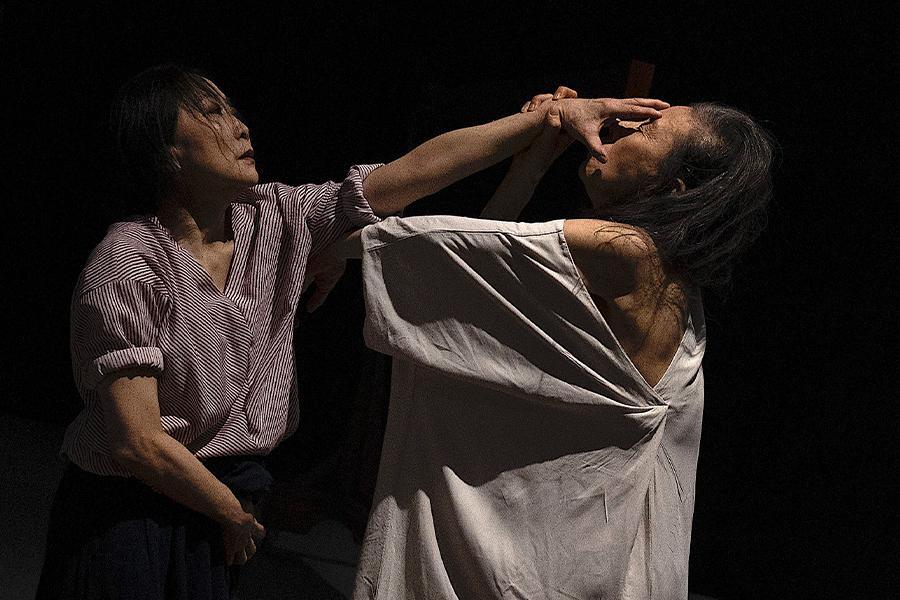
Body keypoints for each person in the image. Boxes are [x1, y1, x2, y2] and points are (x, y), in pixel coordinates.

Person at [35, 63, 668, 599]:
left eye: (231, 108)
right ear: (167, 152)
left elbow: (411, 174)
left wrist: (543, 121)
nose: (239, 125)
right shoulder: (126, 261)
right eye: (209, 112)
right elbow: (137, 443)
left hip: (226, 500)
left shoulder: (274, 217)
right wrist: (231, 514)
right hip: (134, 509)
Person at [316, 88, 774, 599]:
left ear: (676, 188)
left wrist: (532, 127)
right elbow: (474, 270)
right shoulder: (677, 285)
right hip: (578, 567)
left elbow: (399, 243)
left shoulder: (623, 251)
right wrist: (529, 170)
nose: (619, 128)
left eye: (645, 130)